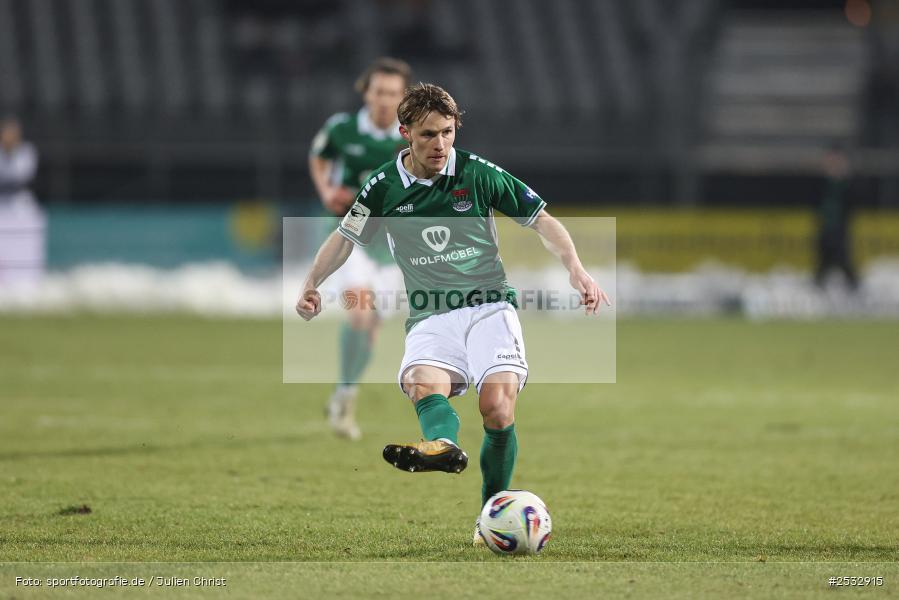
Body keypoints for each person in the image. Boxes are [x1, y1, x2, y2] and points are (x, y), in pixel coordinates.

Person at [296, 83, 611, 543]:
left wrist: (577, 269)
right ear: (405, 133)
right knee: (421, 382)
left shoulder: (479, 173)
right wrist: (310, 285)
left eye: (447, 132)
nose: (440, 144)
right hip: (430, 314)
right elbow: (346, 237)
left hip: (488, 306)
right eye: (427, 135)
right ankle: (442, 445)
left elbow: (541, 218)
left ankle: (490, 514)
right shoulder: (384, 185)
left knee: (497, 409)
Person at [308, 58, 412, 440]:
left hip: (390, 244)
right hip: (347, 235)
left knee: (370, 330)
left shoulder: (413, 136)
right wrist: (326, 191)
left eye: (392, 93)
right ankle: (346, 399)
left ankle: (343, 393)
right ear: (365, 92)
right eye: (378, 91)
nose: (384, 99)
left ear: (404, 96)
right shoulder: (343, 129)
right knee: (360, 312)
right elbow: (319, 156)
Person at [0, 117, 44, 289]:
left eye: (13, 134)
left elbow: (21, 176)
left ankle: (26, 277)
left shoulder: (27, 151)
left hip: (18, 200)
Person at [814, 145, 858, 291]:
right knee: (823, 263)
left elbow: (854, 201)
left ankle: (855, 289)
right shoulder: (821, 182)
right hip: (825, 229)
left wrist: (843, 177)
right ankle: (818, 290)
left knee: (844, 261)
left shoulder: (846, 184)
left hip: (840, 231)